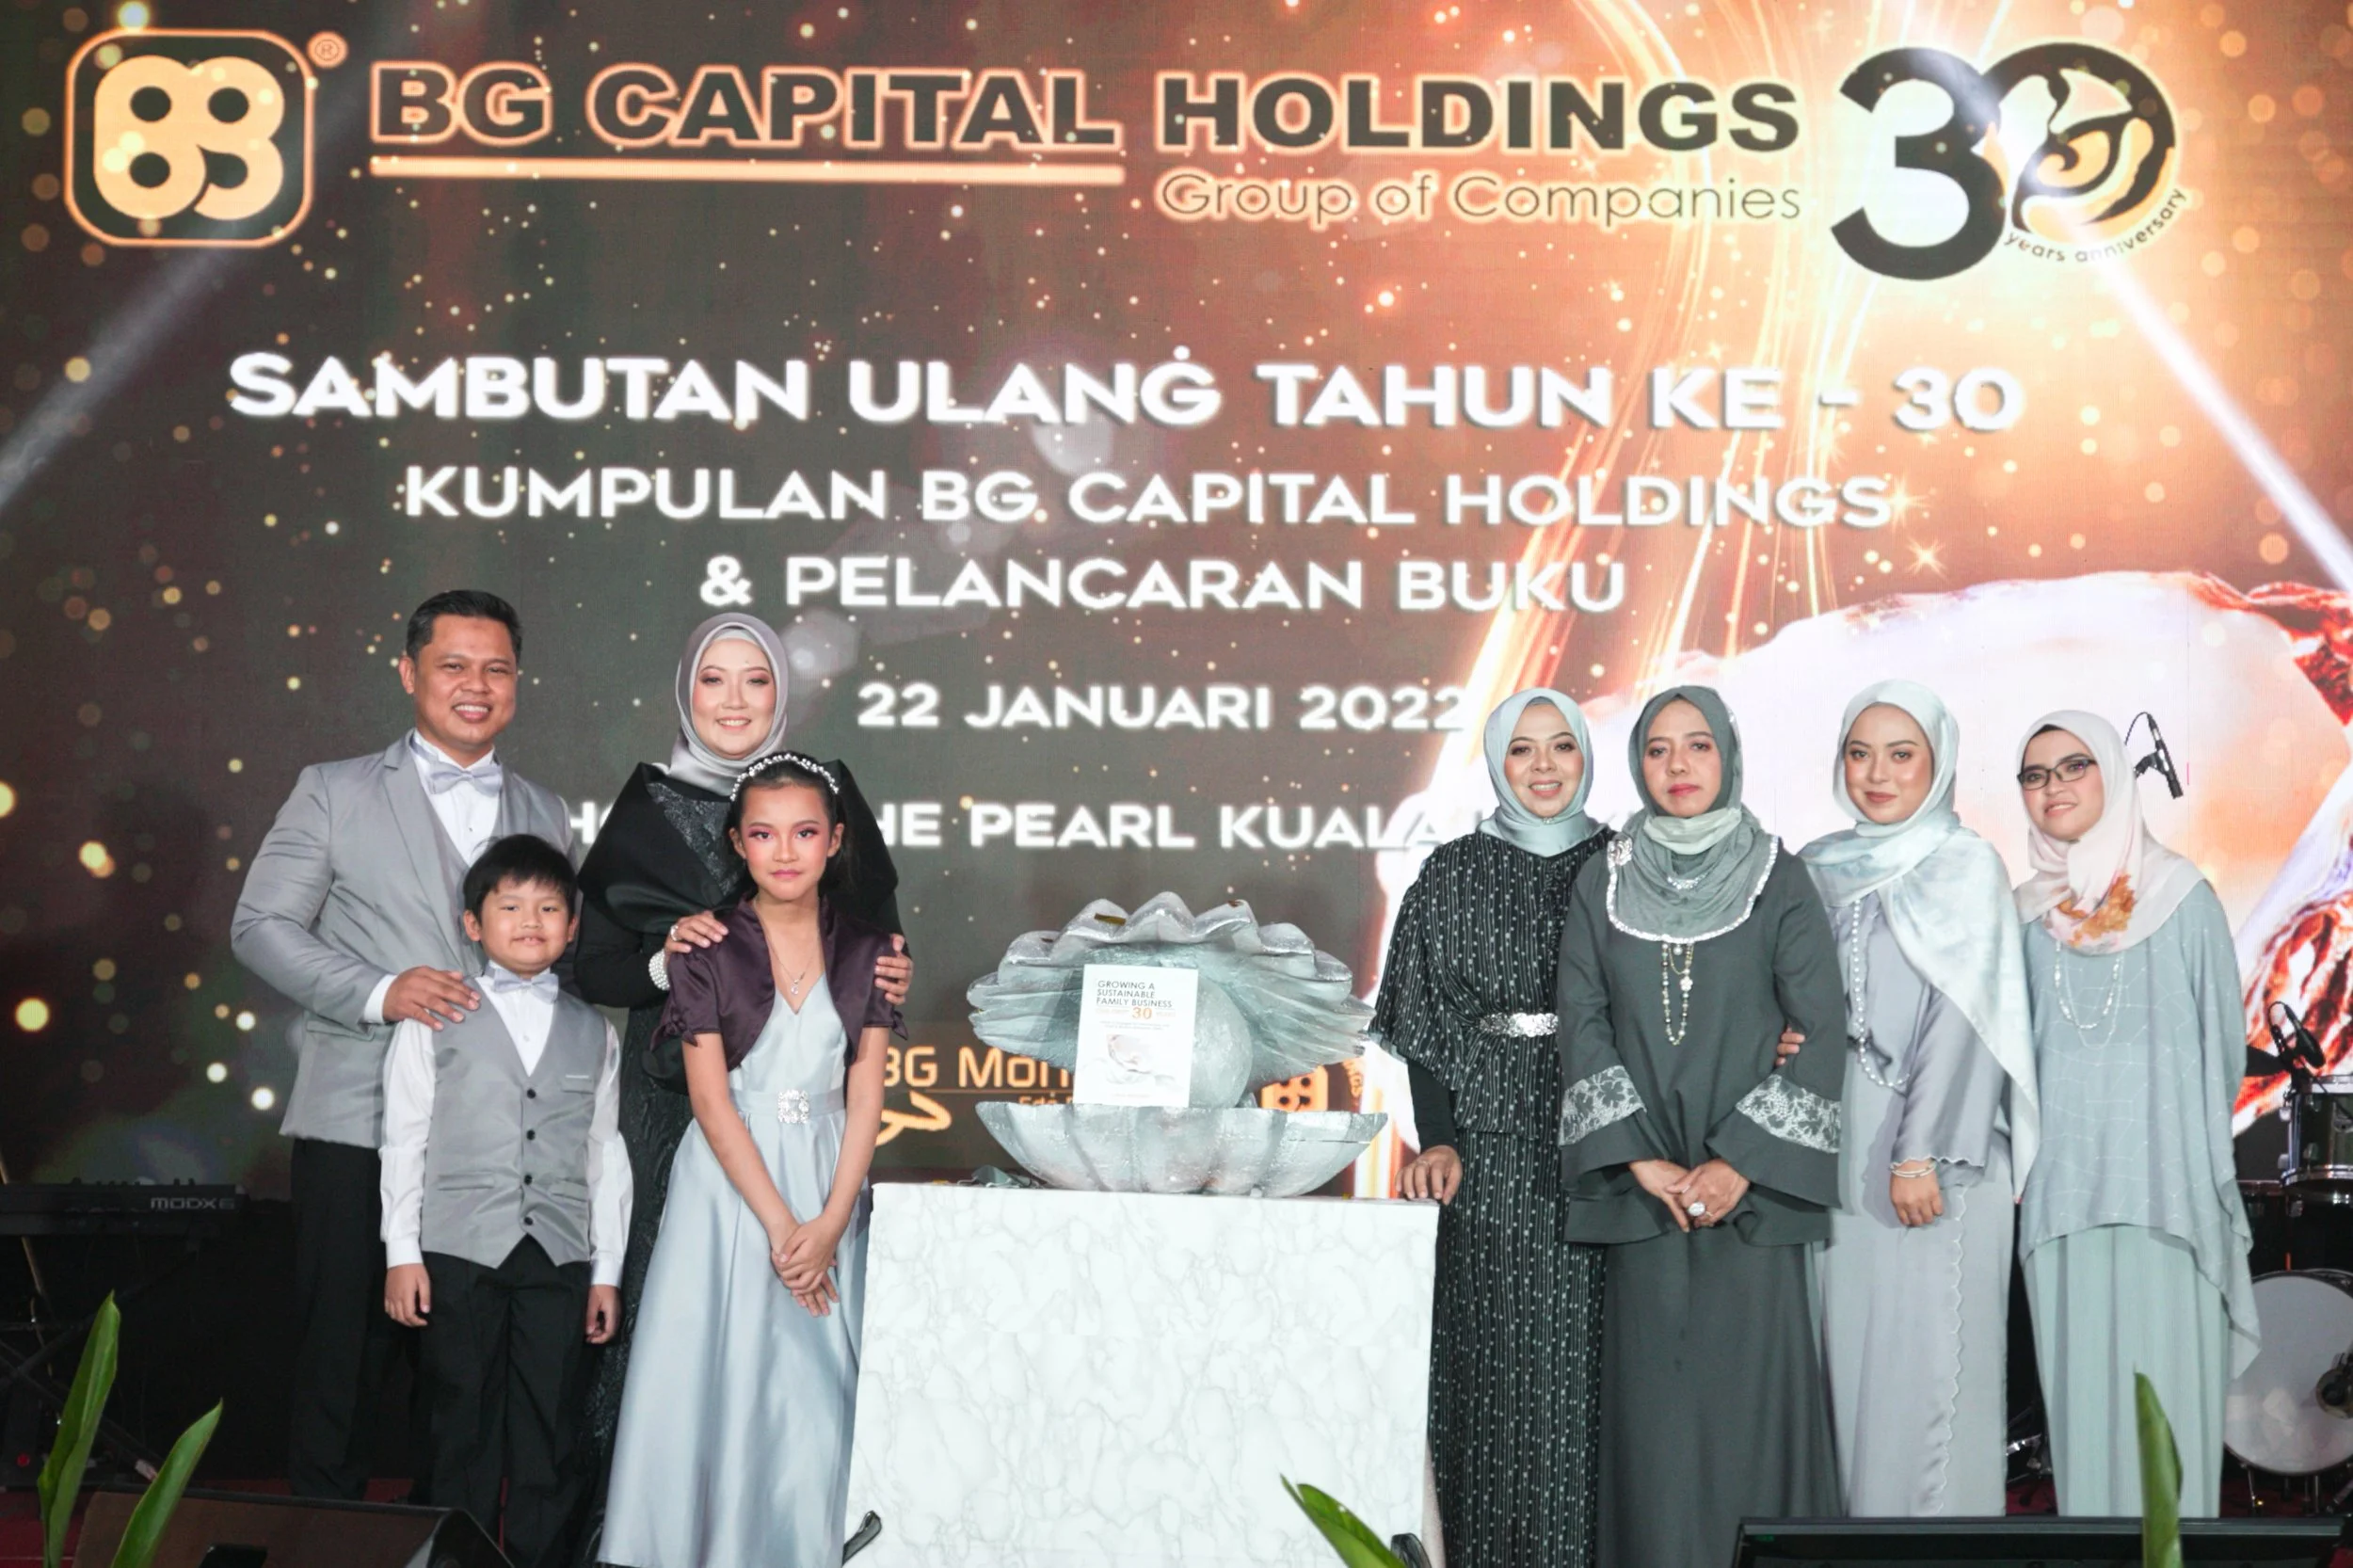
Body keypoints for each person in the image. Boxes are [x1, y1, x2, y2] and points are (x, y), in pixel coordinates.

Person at [232, 589, 572, 1499]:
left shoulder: (546, 810)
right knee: (341, 1368)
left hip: (491, 1143)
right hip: (359, 1122)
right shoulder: (334, 790)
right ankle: (322, 1550)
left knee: (462, 1386)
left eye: (496, 669)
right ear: (408, 673)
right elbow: (260, 925)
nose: (476, 686)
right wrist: (382, 992)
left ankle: (445, 1552)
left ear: (517, 682)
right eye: (453, 665)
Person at [573, 615, 908, 1525]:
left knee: (806, 1345)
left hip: (816, 1123)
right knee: (683, 1313)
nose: (733, 700)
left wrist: (892, 973)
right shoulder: (645, 810)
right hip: (677, 1101)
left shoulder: (826, 795)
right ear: (685, 691)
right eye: (712, 679)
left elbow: (876, 940)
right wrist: (667, 959)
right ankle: (676, 1515)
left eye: (755, 679)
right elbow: (593, 968)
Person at [1554, 685, 1846, 1568]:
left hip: (1748, 1200)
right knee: (1655, 1433)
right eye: (1657, 749)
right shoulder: (1602, 880)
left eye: (1698, 746)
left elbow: (1820, 1026)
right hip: (1646, 1197)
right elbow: (1582, 1020)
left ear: (1728, 756)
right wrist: (1640, 1161)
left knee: (1748, 1418)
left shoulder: (1777, 877)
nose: (1677, 765)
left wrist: (1737, 1165)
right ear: (1637, 763)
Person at [1373, 689, 1613, 1568]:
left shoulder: (1627, 866)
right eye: (1523, 749)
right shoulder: (1452, 872)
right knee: (1492, 1378)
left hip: (1607, 1150)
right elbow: (1424, 1021)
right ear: (1497, 763)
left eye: (1561, 746)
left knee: (1586, 1380)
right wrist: (1438, 1139)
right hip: (1487, 1158)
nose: (1544, 766)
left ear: (1586, 755)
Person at [1797, 682, 2038, 1515]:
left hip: (1933, 1153)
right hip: (1838, 1149)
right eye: (1859, 754)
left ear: (1938, 764)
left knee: (1927, 1364)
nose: (1878, 774)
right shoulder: (1817, 868)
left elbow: (1964, 1021)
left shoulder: (1966, 866)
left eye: (1901, 755)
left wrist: (1917, 1151)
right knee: (1849, 1360)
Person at [2012, 712, 2257, 1516]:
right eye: (2035, 774)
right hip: (2062, 1201)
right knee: (2085, 1428)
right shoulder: (2021, 917)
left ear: (2114, 775)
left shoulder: (2183, 898)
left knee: (2169, 1436)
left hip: (2167, 1196)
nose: (2053, 786)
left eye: (2073, 766)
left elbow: (2224, 1049)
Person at [379, 835, 628, 1568]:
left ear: (572, 927)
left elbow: (604, 1153)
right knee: (461, 1426)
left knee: (551, 1433)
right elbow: (404, 1137)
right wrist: (401, 1253)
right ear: (473, 923)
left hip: (560, 1256)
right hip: (459, 1252)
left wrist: (606, 1270)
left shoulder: (595, 1030)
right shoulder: (433, 1017)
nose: (530, 922)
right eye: (511, 906)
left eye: (549, 908)